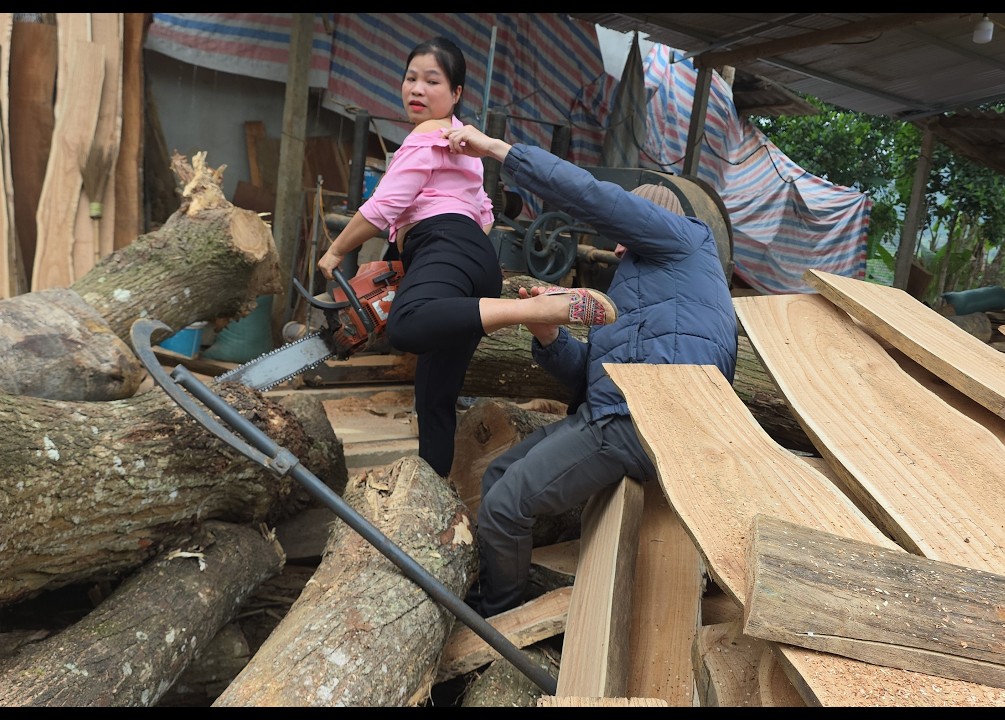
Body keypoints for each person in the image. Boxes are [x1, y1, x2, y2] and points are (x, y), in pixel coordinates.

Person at [442, 122, 739, 617]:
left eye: (624, 235)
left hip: (645, 418)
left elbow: (592, 196)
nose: (616, 247)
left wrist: (499, 151)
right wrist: (548, 336)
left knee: (505, 505)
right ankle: (499, 584)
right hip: (614, 411)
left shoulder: (687, 240)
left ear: (645, 223)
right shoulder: (636, 286)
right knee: (497, 474)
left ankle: (495, 620)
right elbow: (592, 379)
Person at [317, 37, 615, 478]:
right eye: (410, 78)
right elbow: (486, 216)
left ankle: (531, 309)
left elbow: (384, 207)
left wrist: (335, 250)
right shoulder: (465, 149)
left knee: (405, 323)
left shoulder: (424, 135)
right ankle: (429, 488)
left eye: (431, 81)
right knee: (434, 397)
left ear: (455, 93)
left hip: (445, 245)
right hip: (477, 261)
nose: (416, 89)